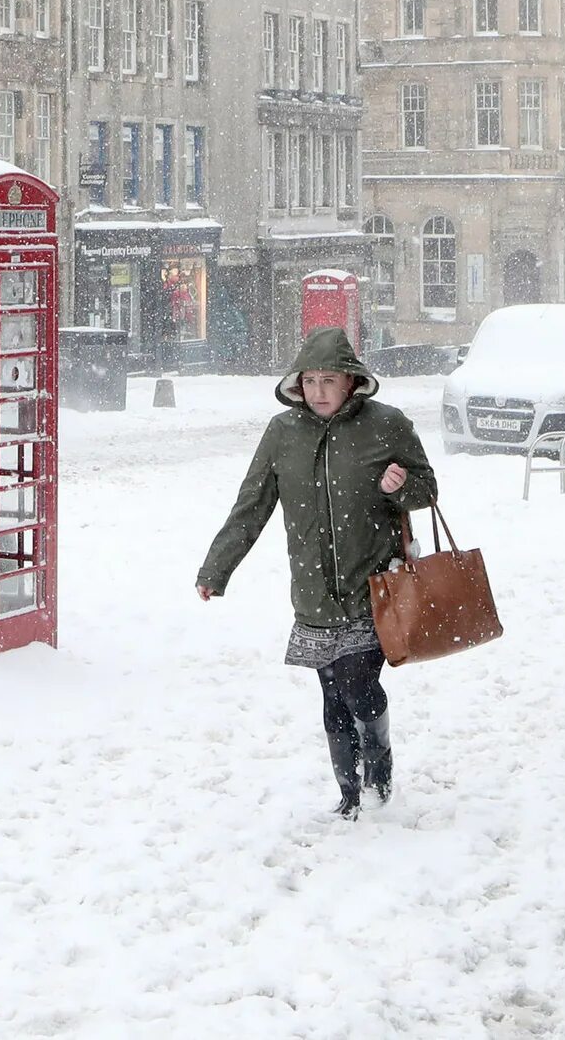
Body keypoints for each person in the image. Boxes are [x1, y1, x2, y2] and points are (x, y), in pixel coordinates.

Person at [197, 327, 438, 820]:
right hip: (313, 593)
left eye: (330, 380)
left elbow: (427, 491)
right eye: (310, 381)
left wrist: (401, 486)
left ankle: (379, 775)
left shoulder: (386, 425)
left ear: (352, 381)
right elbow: (252, 505)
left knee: (359, 688)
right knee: (333, 699)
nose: (320, 391)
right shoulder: (282, 433)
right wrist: (216, 569)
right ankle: (350, 794)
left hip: (374, 587)